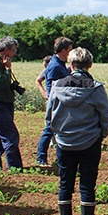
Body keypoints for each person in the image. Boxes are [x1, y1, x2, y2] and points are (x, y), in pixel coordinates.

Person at [48, 47, 108, 215]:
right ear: (90, 65)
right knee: (87, 182)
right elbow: (106, 117)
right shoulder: (96, 87)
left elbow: (49, 116)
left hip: (64, 142)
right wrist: (100, 135)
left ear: (71, 64)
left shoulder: (57, 86)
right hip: (90, 142)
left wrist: (56, 135)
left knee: (65, 182)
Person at [0, 36, 24, 171]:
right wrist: (7, 69)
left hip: (5, 103)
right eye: (13, 50)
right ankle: (15, 167)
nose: (15, 54)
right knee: (10, 135)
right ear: (6, 49)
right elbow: (0, 83)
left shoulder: (2, 62)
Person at [36, 37, 75, 168]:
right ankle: (41, 158)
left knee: (56, 130)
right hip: (56, 103)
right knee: (49, 130)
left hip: (59, 102)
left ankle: (59, 158)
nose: (70, 52)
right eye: (69, 50)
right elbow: (54, 87)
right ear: (63, 50)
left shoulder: (60, 63)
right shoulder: (54, 65)